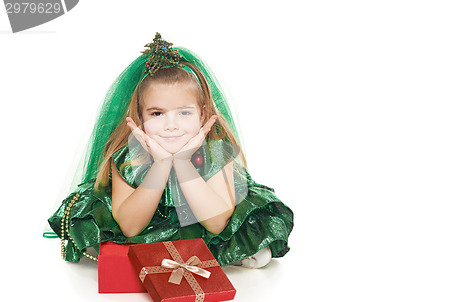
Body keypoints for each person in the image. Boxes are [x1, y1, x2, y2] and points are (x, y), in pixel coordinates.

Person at [47, 33, 293, 268]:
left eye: (184, 113)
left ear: (203, 115)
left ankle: (228, 254)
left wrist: (184, 162)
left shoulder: (216, 151)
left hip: (206, 221)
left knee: (248, 235)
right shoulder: (128, 157)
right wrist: (162, 164)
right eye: (157, 113)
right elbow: (131, 227)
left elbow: (217, 223)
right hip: (147, 226)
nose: (171, 125)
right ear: (140, 118)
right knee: (105, 238)